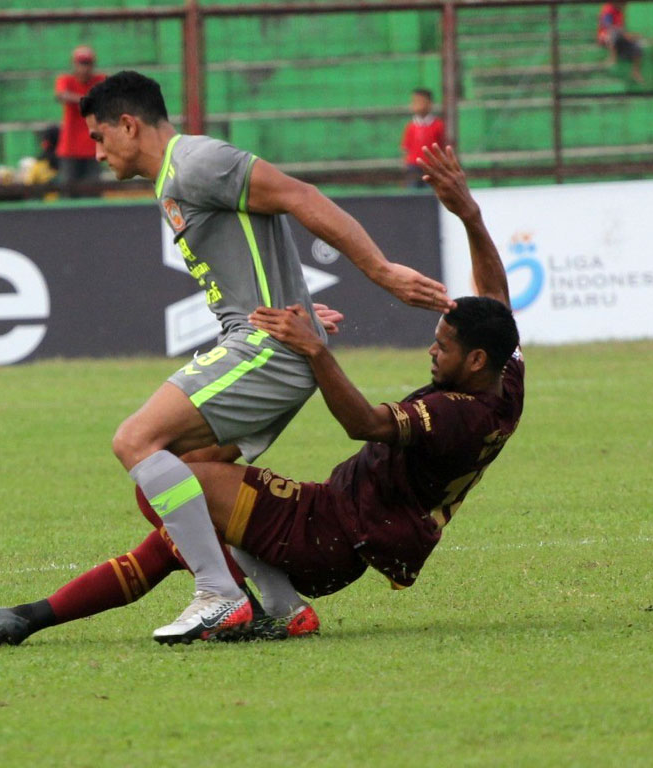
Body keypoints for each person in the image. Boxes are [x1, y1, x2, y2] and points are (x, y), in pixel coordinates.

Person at [0, 144, 523, 647]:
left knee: (166, 480)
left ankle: (232, 598)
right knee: (176, 492)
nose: (432, 350)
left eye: (442, 346)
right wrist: (469, 215)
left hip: (326, 535)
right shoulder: (504, 382)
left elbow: (367, 425)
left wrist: (314, 349)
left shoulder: (456, 416)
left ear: (475, 361)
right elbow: (495, 302)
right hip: (330, 525)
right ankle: (39, 617)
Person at [50, 70, 453, 644]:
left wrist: (381, 271)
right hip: (272, 342)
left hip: (264, 350)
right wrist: (305, 312)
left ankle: (217, 593)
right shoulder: (174, 177)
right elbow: (256, 251)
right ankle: (285, 607)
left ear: (129, 125)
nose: (94, 150)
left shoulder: (197, 163)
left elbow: (299, 196)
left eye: (97, 136)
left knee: (134, 441)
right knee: (184, 475)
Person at [54, 45, 106, 195]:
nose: (84, 68)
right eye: (81, 63)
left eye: (87, 63)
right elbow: (61, 95)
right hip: (69, 149)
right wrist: (87, 100)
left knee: (93, 194)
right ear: (74, 64)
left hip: (93, 149)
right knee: (67, 193)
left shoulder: (100, 80)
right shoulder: (66, 80)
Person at [401, 88, 445, 189]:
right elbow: (406, 148)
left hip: (432, 167)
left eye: (420, 102)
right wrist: (405, 168)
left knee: (431, 193)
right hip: (413, 167)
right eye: (414, 102)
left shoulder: (438, 125)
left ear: (429, 104)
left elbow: (443, 146)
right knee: (412, 195)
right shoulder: (411, 126)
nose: (416, 105)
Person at [598, 2, 643, 84]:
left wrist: (629, 37)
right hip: (605, 36)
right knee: (613, 32)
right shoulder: (608, 8)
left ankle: (635, 72)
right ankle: (612, 58)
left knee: (638, 43)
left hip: (619, 38)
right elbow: (607, 26)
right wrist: (624, 34)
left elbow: (622, 29)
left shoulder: (620, 12)